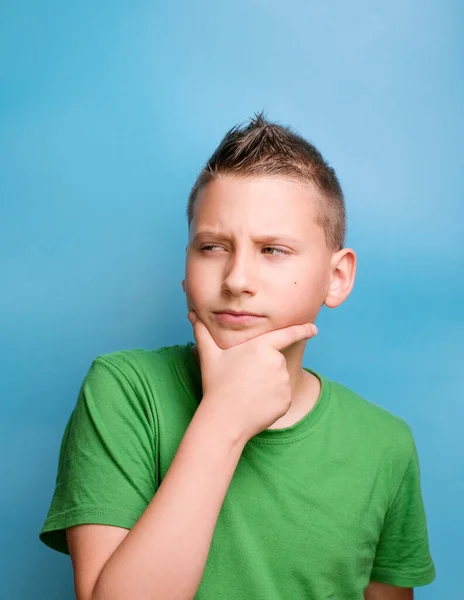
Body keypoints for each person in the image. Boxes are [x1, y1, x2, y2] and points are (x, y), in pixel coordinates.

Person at [39, 113, 436, 600]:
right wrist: (223, 419)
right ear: (186, 265)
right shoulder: (125, 389)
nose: (236, 279)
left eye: (272, 250)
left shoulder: (384, 444)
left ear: (338, 277)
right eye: (212, 246)